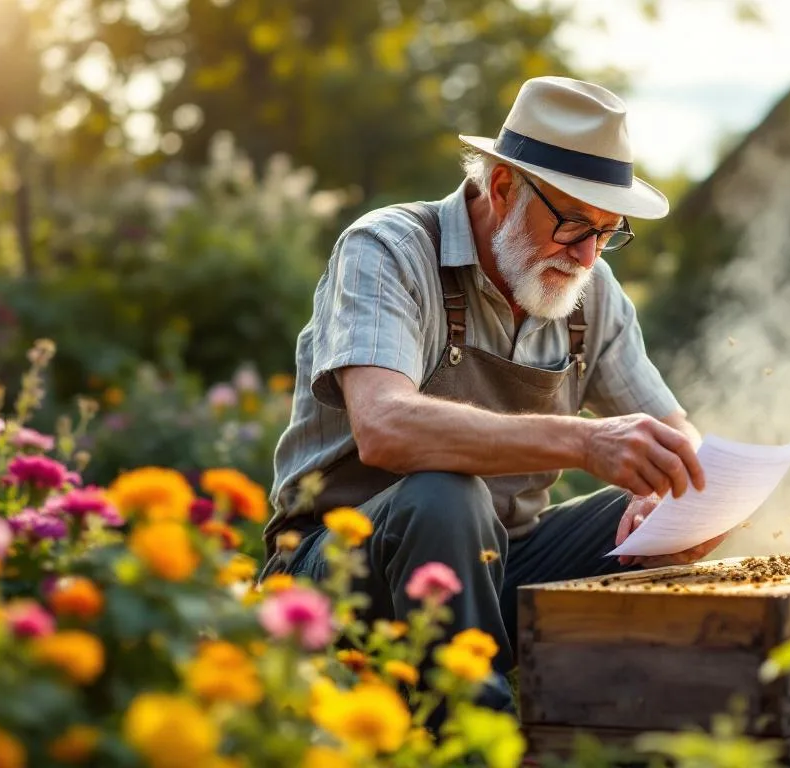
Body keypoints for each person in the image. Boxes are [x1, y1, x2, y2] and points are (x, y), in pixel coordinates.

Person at [260, 76, 728, 712]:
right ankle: (479, 741)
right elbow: (384, 426)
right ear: (502, 187)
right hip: (341, 574)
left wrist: (671, 498)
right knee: (443, 494)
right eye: (572, 223)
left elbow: (677, 432)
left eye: (607, 231)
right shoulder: (390, 250)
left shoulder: (592, 289)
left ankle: (616, 730)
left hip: (500, 565)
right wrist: (583, 440)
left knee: (656, 498)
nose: (588, 254)